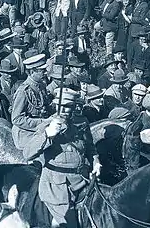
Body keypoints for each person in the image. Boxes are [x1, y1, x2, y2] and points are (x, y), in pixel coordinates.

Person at [23, 88, 101, 228]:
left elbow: (90, 147)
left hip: (82, 180)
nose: (65, 110)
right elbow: (28, 153)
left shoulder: (81, 123)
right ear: (56, 105)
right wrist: (47, 135)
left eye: (69, 106)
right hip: (57, 186)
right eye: (62, 106)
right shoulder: (46, 125)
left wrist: (96, 161)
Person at [11, 54, 50, 150]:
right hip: (26, 133)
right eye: (42, 71)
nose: (45, 73)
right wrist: (41, 122)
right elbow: (16, 119)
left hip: (42, 127)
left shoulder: (41, 86)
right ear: (32, 72)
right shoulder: (23, 92)